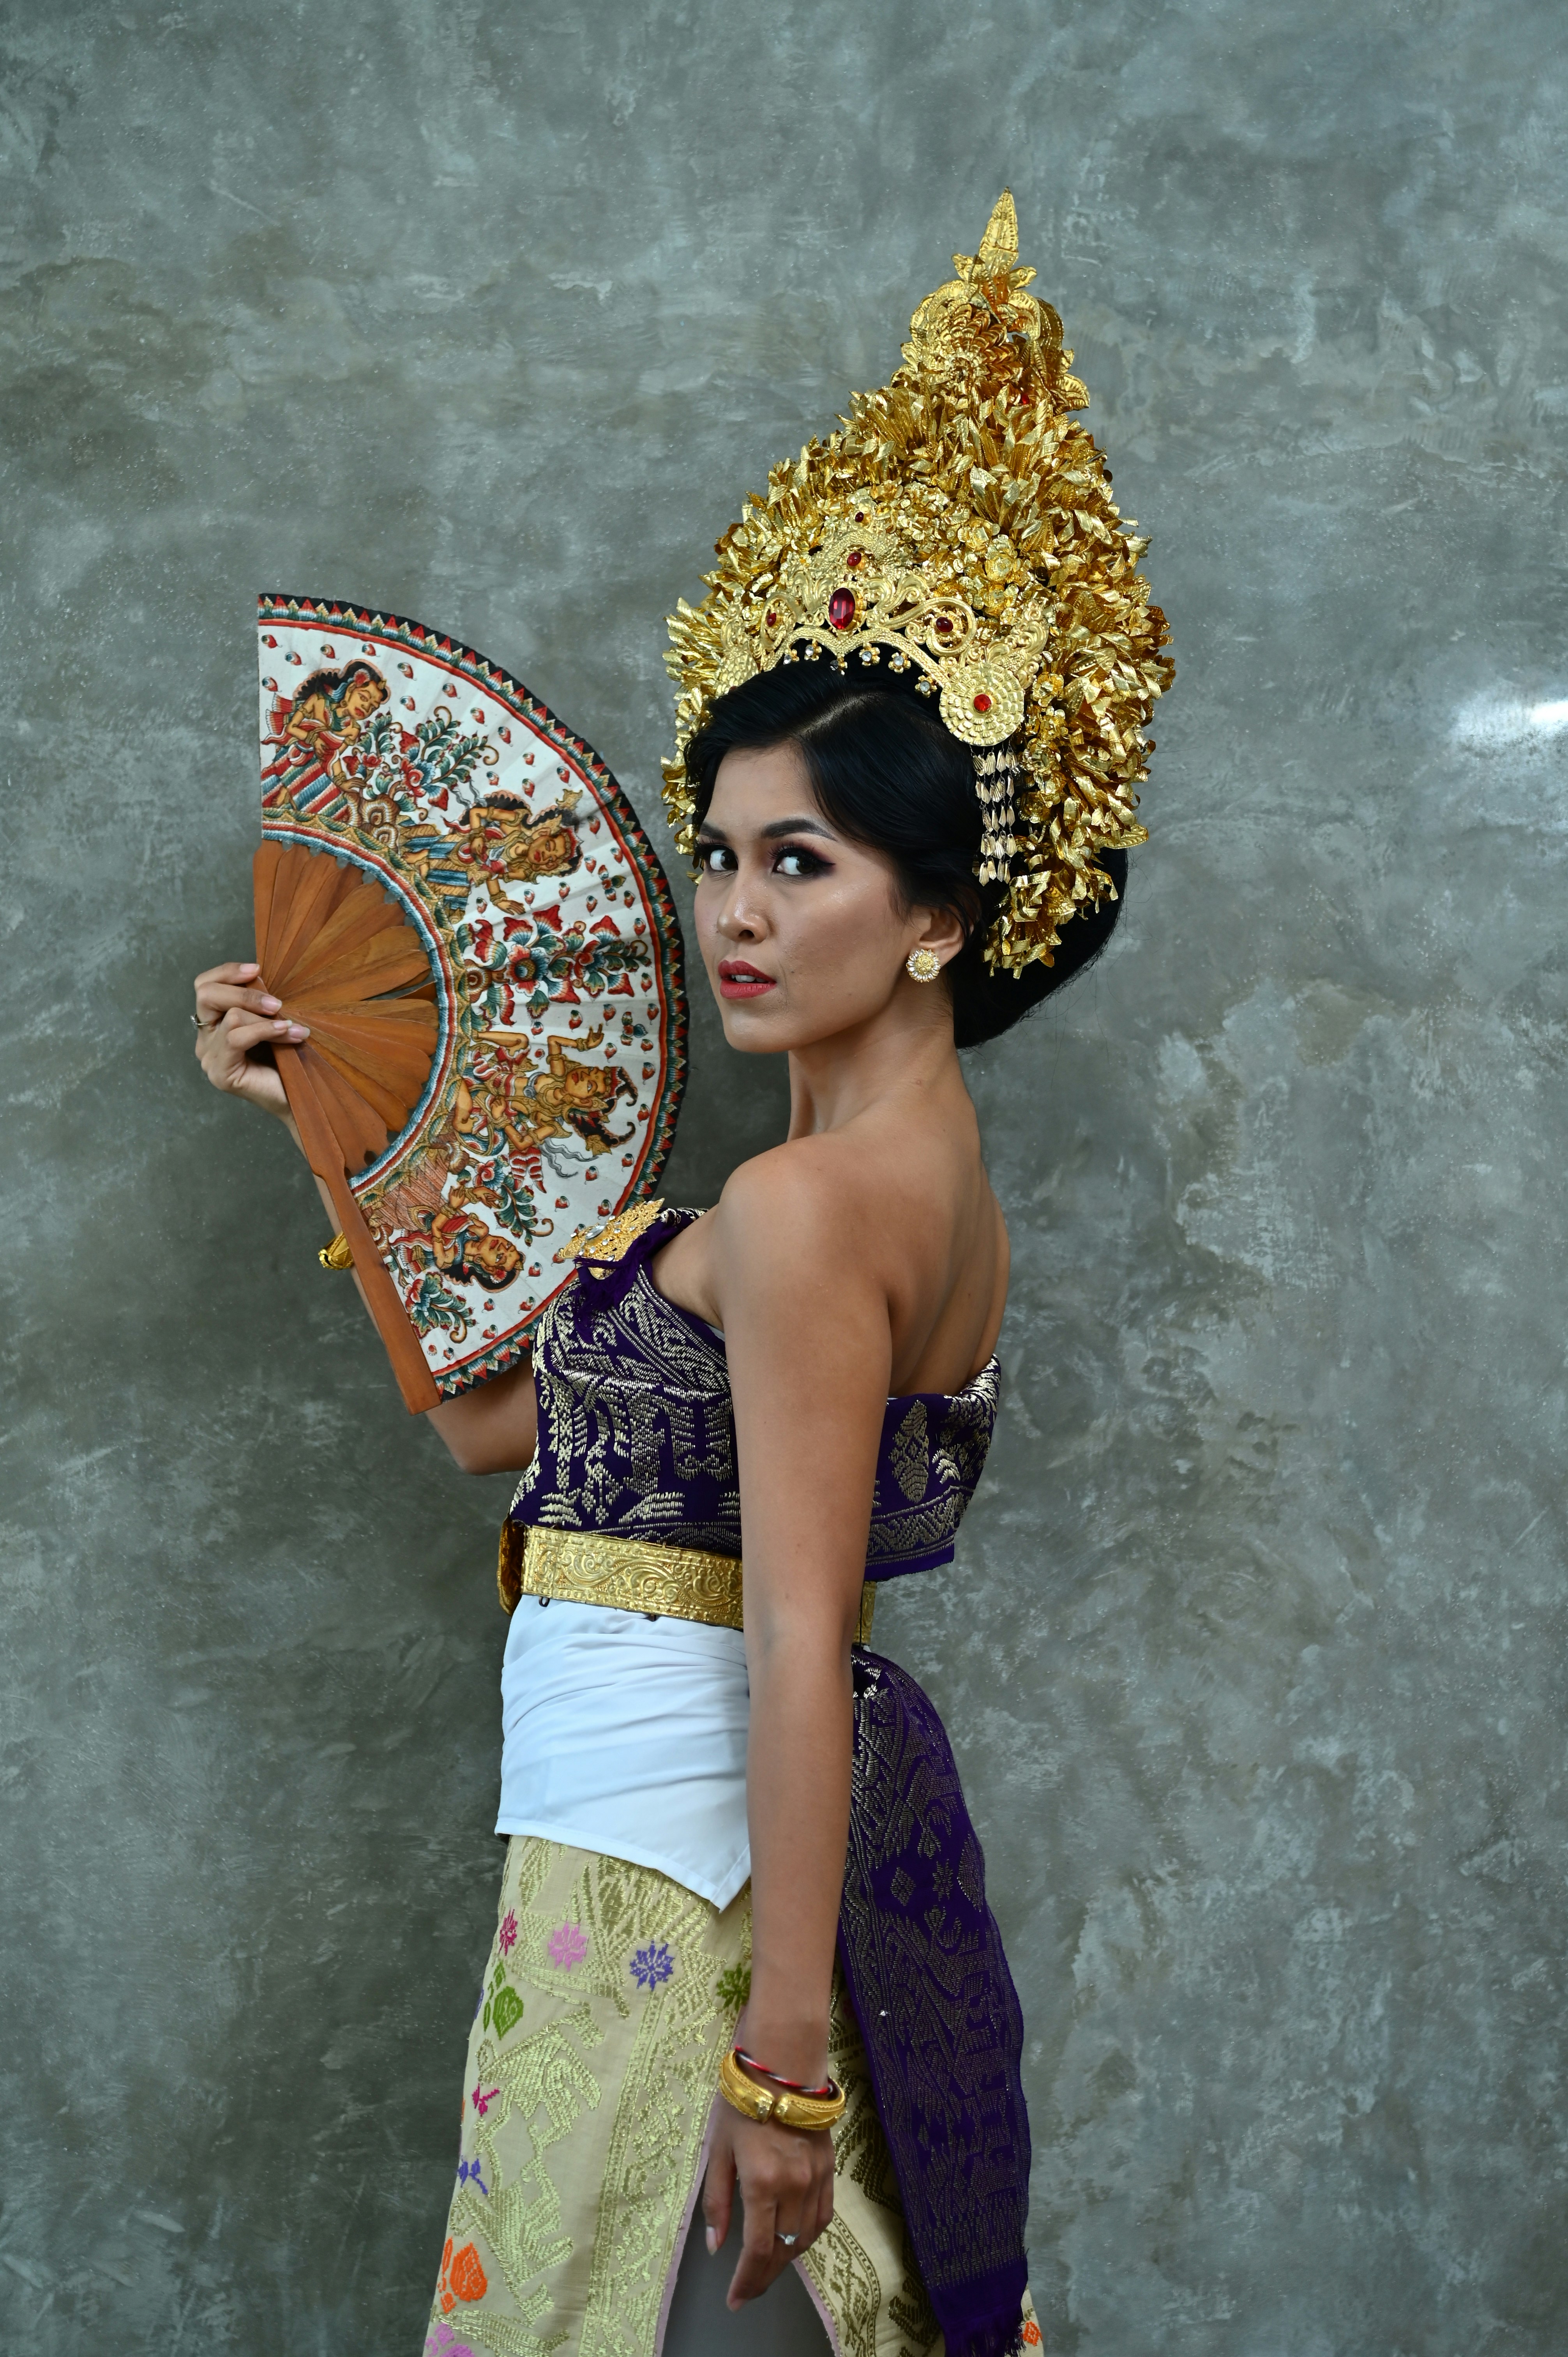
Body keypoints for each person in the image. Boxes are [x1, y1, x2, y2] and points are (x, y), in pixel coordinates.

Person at [192, 193, 1171, 2357]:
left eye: (796, 863)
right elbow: (480, 1435)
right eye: (718, 851)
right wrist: (330, 1122)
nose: (729, 909)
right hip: (641, 1844)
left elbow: (796, 1638)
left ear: (934, 912)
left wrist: (782, 2065)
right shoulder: (830, 1182)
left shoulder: (818, 1214)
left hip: (679, 1884)